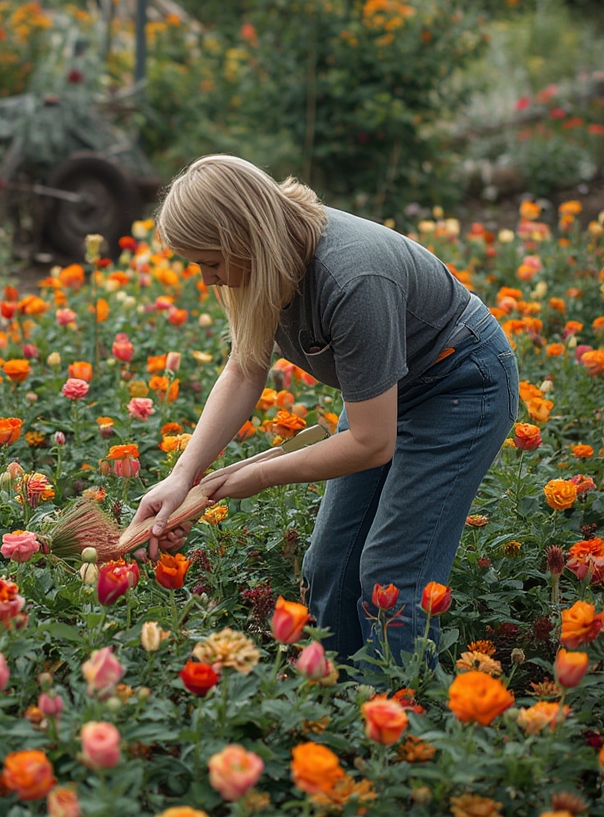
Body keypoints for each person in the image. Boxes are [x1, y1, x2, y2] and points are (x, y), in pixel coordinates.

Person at [131, 154, 519, 666]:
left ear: (247, 237)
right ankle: (334, 698)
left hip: (461, 384)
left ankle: (399, 717)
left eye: (212, 263)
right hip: (388, 389)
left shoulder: (352, 277)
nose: (208, 281)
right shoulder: (267, 261)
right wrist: (184, 476)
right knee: (331, 562)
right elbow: (245, 369)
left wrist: (258, 476)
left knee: (392, 574)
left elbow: (371, 442)